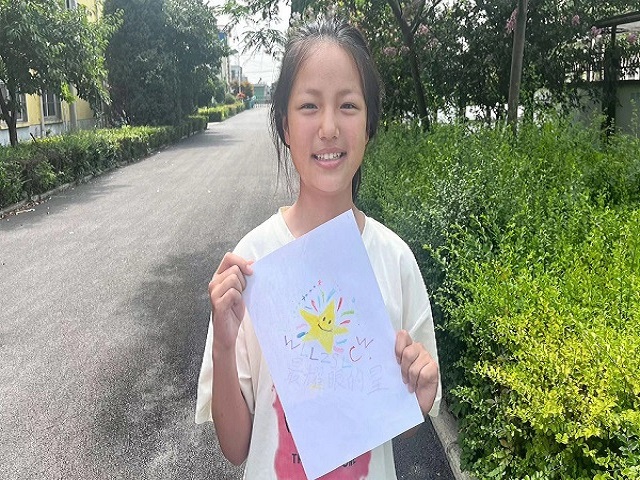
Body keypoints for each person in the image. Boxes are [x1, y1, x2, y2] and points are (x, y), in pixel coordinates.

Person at [196, 15, 441, 479]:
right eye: (309, 106)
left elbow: (403, 425)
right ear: (285, 125)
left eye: (348, 105)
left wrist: (418, 398)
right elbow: (235, 446)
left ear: (368, 124)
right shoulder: (252, 263)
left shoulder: (395, 260)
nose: (328, 127)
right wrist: (224, 346)